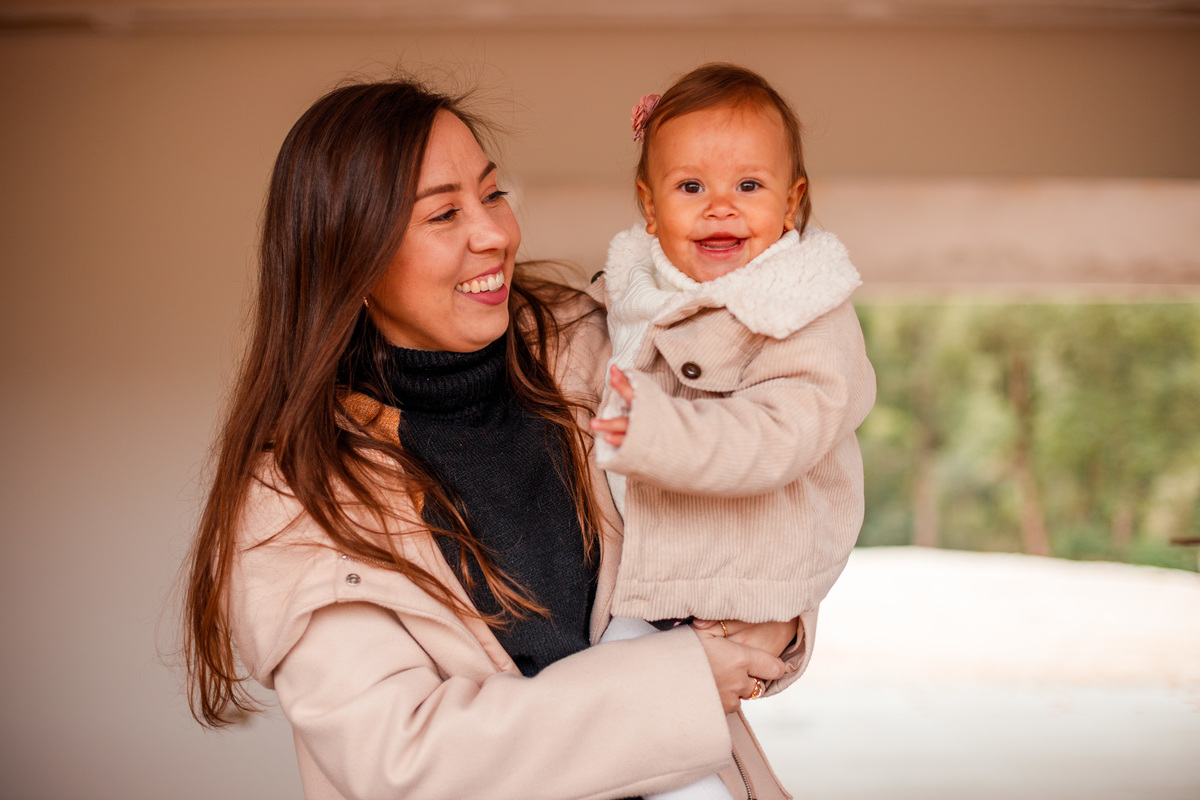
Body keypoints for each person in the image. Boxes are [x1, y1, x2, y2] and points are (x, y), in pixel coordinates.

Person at [182, 76, 809, 800]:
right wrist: (687, 681)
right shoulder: (297, 499)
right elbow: (407, 762)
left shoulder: (597, 350)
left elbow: (768, 464)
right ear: (349, 259)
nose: (495, 234)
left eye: (492, 194)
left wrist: (781, 623)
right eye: (444, 214)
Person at [588, 63, 876, 800]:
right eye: (691, 188)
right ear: (648, 208)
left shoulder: (803, 311)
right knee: (616, 719)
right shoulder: (633, 286)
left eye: (749, 186)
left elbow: (777, 436)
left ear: (792, 203)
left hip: (732, 579)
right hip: (653, 576)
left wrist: (649, 429)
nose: (721, 208)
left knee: (633, 719)